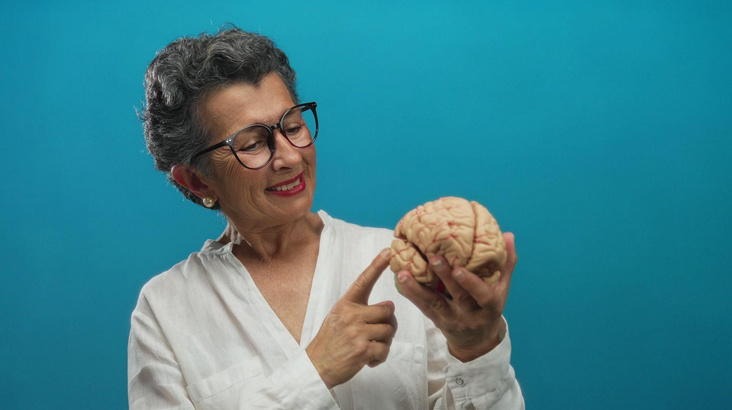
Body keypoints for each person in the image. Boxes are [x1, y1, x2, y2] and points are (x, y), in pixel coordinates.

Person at [128, 26, 524, 409]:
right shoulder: (165, 310)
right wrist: (314, 372)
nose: (290, 157)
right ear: (197, 180)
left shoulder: (404, 264)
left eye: (293, 126)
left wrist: (476, 350)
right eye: (252, 144)